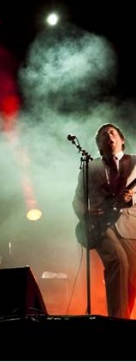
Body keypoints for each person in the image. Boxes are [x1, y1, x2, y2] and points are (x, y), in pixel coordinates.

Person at [72, 122, 136, 319]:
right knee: (117, 261)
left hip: (129, 224)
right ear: (99, 145)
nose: (108, 136)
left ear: (121, 139)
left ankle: (125, 318)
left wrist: (131, 198)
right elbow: (78, 199)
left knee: (132, 277)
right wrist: (86, 212)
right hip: (99, 225)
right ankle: (118, 322)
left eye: (112, 132)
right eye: (102, 135)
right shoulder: (91, 167)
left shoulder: (135, 162)